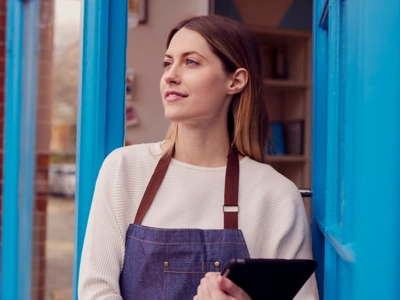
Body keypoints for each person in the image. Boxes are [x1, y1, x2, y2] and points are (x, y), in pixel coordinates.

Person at [78, 15, 319, 300]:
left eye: (191, 62)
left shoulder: (276, 195)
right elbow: (96, 291)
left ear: (236, 81)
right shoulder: (124, 169)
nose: (170, 75)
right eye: (168, 63)